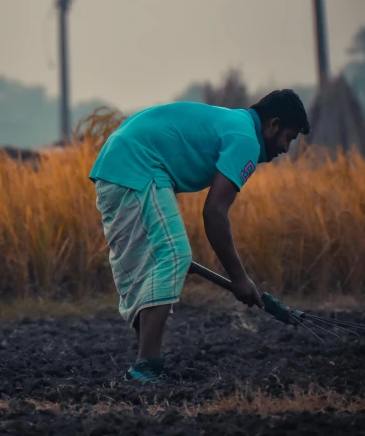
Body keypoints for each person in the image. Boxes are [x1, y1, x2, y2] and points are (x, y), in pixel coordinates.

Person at [89, 89, 310, 383]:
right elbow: (215, 213)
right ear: (272, 125)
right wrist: (239, 278)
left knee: (155, 265)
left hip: (120, 165)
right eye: (289, 138)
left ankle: (146, 363)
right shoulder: (245, 138)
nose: (285, 148)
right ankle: (146, 366)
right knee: (174, 255)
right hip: (137, 166)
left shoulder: (236, 125)